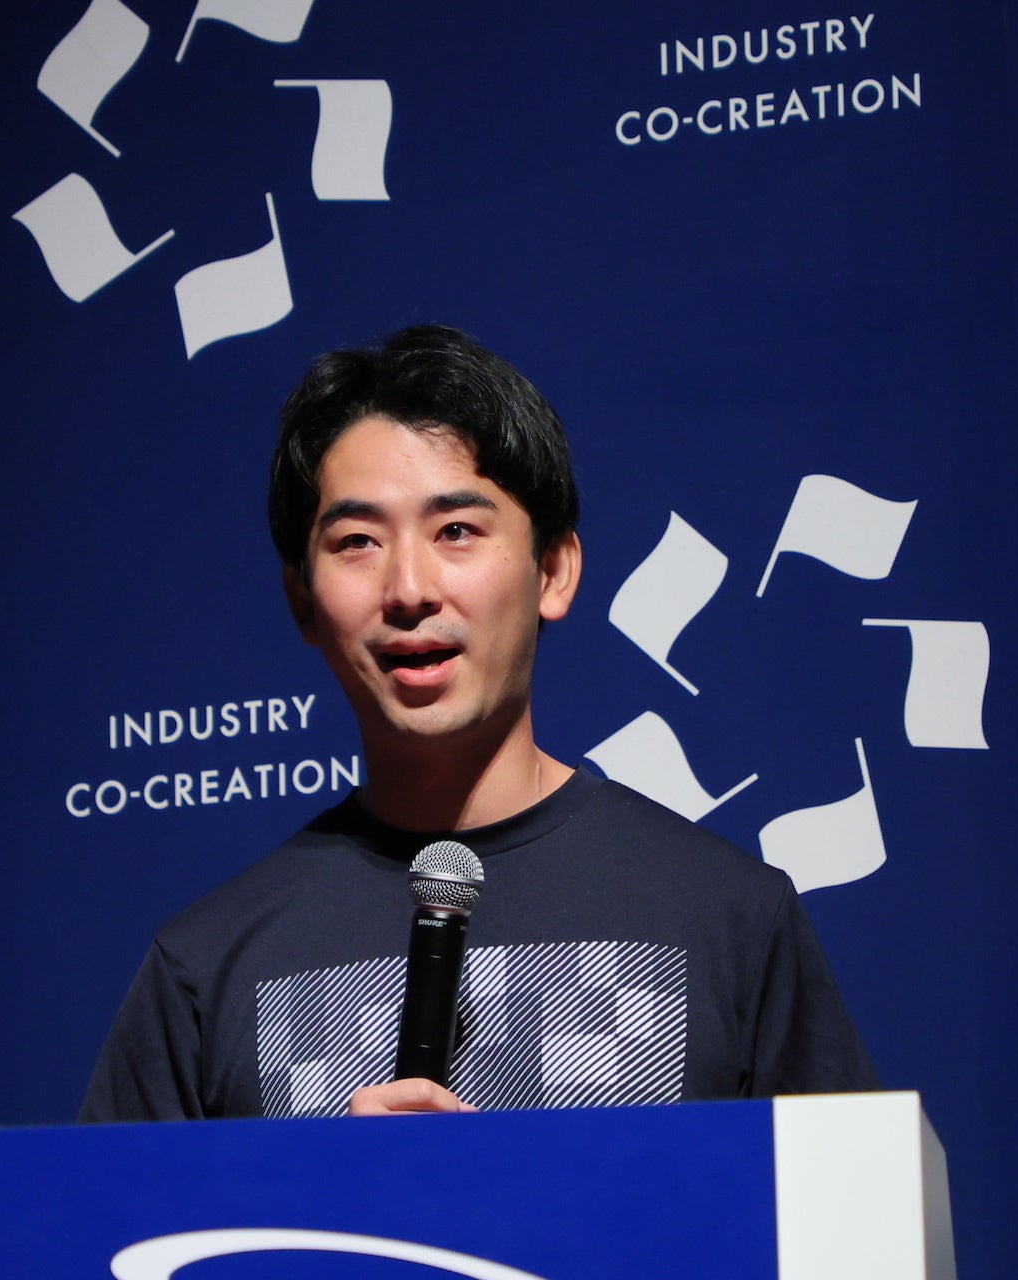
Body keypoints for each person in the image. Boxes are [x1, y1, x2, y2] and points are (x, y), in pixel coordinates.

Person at [80, 325, 876, 1121]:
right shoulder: (206, 967)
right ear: (302, 602)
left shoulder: (728, 916)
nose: (409, 589)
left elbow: (854, 1198)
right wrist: (318, 1180)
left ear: (553, 570)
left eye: (456, 531)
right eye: (357, 541)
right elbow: (117, 1208)